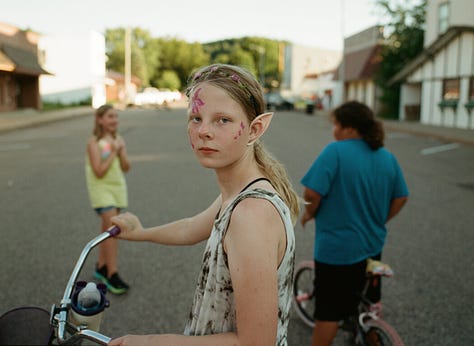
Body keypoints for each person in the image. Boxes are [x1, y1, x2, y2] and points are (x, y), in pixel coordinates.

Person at [108, 63, 300, 346]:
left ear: (255, 129)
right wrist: (140, 232)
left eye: (222, 120)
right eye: (196, 118)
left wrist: (149, 342)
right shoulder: (239, 194)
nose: (204, 131)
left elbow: (257, 343)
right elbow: (189, 229)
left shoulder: (251, 215)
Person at [300, 101, 409, 346]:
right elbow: (401, 197)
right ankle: (370, 334)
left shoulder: (335, 151)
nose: (334, 130)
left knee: (328, 313)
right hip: (373, 245)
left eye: (337, 124)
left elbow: (311, 194)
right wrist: (379, 219)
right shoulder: (386, 157)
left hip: (337, 250)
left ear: (349, 128)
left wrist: (309, 214)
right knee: (368, 299)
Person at [85, 104, 131, 295]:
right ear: (100, 119)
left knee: (107, 229)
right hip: (101, 189)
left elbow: (126, 167)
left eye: (116, 117)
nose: (114, 120)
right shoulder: (94, 142)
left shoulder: (117, 139)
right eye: (110, 116)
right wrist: (113, 151)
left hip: (117, 188)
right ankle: (112, 273)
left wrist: (120, 151)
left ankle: (102, 266)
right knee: (114, 229)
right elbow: (99, 171)